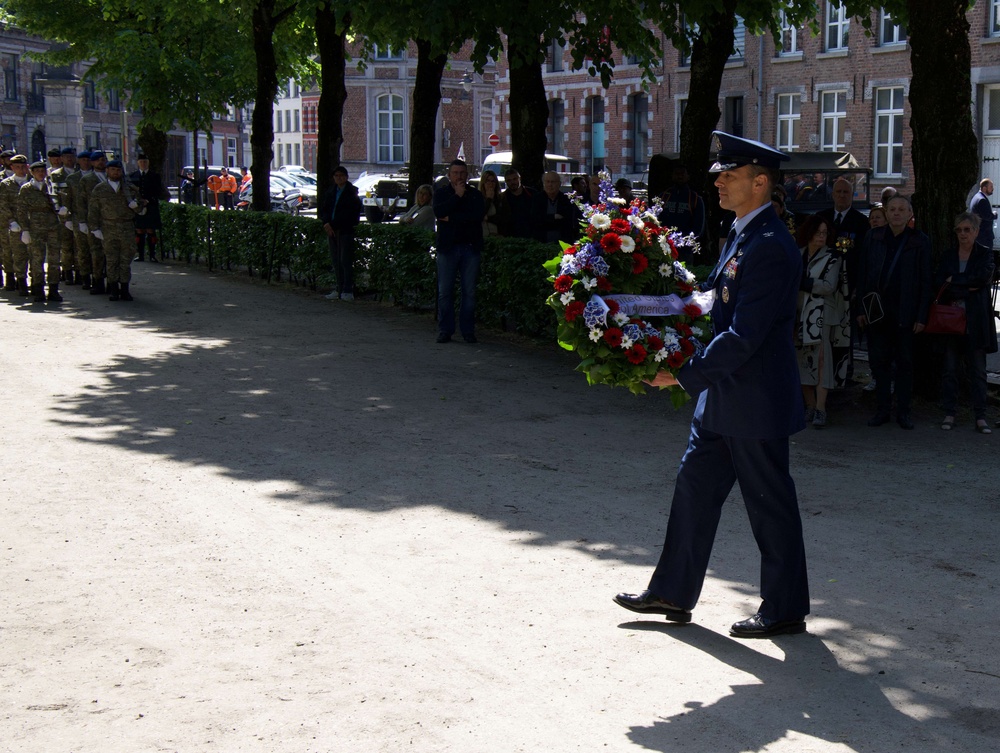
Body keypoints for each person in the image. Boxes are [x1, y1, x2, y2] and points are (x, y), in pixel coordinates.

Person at [614, 131, 810, 639]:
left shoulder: (770, 245)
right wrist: (643, 307)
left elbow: (743, 336)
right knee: (694, 490)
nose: (718, 182)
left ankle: (785, 608)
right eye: (719, 174)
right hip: (723, 399)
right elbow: (709, 300)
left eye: (729, 175)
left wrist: (682, 374)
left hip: (755, 402)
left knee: (769, 504)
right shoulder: (743, 232)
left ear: (760, 182)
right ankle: (672, 592)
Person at [855, 194, 932, 430]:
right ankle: (882, 409)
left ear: (910, 214)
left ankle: (904, 411)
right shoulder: (874, 237)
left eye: (901, 209)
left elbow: (926, 281)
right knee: (879, 363)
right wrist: (861, 309)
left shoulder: (920, 241)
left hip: (906, 312)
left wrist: (921, 316)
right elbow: (863, 273)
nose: (896, 213)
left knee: (905, 364)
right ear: (886, 213)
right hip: (877, 311)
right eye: (892, 209)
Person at [935, 212, 997, 433]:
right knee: (949, 369)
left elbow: (981, 279)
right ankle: (950, 412)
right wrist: (966, 286)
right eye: (959, 230)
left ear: (976, 231)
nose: (963, 234)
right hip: (950, 321)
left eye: (967, 229)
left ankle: (980, 416)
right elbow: (940, 282)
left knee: (978, 371)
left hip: (975, 321)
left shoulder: (985, 254)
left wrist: (955, 281)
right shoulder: (949, 255)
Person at [795, 214, 848, 428]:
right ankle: (809, 405)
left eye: (825, 233)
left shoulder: (833, 257)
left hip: (821, 315)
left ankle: (821, 408)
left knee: (821, 361)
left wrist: (803, 283)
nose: (821, 237)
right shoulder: (798, 254)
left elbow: (828, 286)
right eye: (818, 232)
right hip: (798, 313)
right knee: (800, 360)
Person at [433, 159, 484, 344]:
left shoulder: (475, 195)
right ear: (449, 175)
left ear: (467, 175)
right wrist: (457, 196)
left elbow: (476, 217)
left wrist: (452, 218)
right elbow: (439, 212)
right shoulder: (441, 193)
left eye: (462, 173)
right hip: (447, 248)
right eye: (455, 173)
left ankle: (467, 330)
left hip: (470, 248)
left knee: (469, 292)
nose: (459, 176)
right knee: (445, 291)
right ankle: (445, 330)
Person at [88, 158, 143, 301]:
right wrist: (94, 228)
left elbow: (141, 209)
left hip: (126, 227)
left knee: (125, 260)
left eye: (118, 170)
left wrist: (136, 205)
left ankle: (124, 289)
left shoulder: (129, 189)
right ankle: (113, 289)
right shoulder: (100, 189)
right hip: (108, 227)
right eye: (112, 170)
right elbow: (93, 210)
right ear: (107, 171)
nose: (115, 172)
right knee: (111, 260)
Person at [17, 159, 67, 302]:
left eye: (43, 171)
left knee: (54, 259)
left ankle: (53, 289)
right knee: (37, 259)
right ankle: (38, 289)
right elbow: (21, 211)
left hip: (53, 227)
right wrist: (25, 230)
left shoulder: (51, 186)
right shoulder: (26, 189)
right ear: (32, 173)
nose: (40, 173)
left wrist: (63, 212)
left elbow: (62, 202)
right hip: (35, 227)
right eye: (37, 171)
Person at [318, 165, 362, 301]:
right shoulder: (330, 191)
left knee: (345, 260)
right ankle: (339, 288)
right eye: (336, 176)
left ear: (346, 177)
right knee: (336, 260)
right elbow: (325, 209)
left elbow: (349, 213)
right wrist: (326, 222)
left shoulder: (352, 192)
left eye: (341, 175)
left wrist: (333, 224)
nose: (339, 178)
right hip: (331, 230)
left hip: (345, 230)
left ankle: (347, 289)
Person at [658, 163, 706, 259]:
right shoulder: (664, 196)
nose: (679, 176)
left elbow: (699, 228)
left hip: (685, 250)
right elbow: (656, 219)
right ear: (672, 176)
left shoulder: (695, 199)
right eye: (677, 173)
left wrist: (685, 242)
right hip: (664, 246)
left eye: (682, 173)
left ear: (688, 176)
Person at [129, 151, 168, 262]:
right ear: (138, 163)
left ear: (148, 163)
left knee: (151, 230)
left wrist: (149, 200)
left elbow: (158, 191)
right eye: (141, 162)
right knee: (139, 230)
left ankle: (152, 255)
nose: (143, 164)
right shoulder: (132, 176)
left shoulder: (154, 176)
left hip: (151, 206)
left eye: (145, 162)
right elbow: (129, 191)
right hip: (137, 207)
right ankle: (140, 255)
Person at [0, 154, 30, 292]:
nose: (20, 169)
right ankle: (12, 278)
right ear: (12, 167)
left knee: (32, 252)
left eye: (23, 166)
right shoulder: (6, 184)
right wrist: (11, 221)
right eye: (17, 167)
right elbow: (3, 204)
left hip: (31, 222)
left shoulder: (32, 181)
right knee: (11, 251)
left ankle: (31, 280)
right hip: (11, 223)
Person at [81, 151, 109, 294]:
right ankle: (97, 281)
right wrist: (82, 221)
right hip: (94, 220)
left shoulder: (113, 176)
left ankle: (112, 282)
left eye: (103, 160)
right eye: (97, 160)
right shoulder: (87, 179)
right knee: (96, 253)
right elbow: (81, 202)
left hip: (111, 220)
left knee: (111, 254)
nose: (101, 162)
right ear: (92, 163)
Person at [67, 151, 94, 289]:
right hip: (78, 216)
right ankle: (84, 277)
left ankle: (97, 276)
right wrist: (67, 218)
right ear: (78, 161)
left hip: (95, 216)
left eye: (88, 160)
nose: (86, 162)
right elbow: (68, 199)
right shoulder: (72, 178)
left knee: (96, 249)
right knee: (81, 249)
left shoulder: (97, 176)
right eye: (83, 160)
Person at [530, 171, 578, 244]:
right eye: (547, 182)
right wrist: (554, 217)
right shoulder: (536, 199)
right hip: (541, 242)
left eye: (553, 182)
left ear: (559, 184)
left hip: (563, 242)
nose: (550, 185)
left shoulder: (566, 200)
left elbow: (566, 222)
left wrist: (546, 219)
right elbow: (535, 220)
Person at [502, 169, 534, 238]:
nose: (512, 182)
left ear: (520, 179)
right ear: (506, 182)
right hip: (510, 237)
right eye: (509, 180)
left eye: (514, 179)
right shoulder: (503, 198)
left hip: (530, 236)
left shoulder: (532, 194)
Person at [479, 170, 510, 237]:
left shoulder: (501, 199)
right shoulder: (478, 198)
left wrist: (488, 218)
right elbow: (479, 215)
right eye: (488, 181)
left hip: (498, 234)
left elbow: (503, 218)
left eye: (493, 181)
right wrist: (488, 199)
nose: (490, 184)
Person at [969, 178, 996, 250]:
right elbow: (987, 216)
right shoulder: (982, 200)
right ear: (984, 188)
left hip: (979, 235)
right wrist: (994, 215)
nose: (992, 189)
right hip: (983, 236)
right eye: (991, 187)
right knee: (985, 255)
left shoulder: (976, 197)